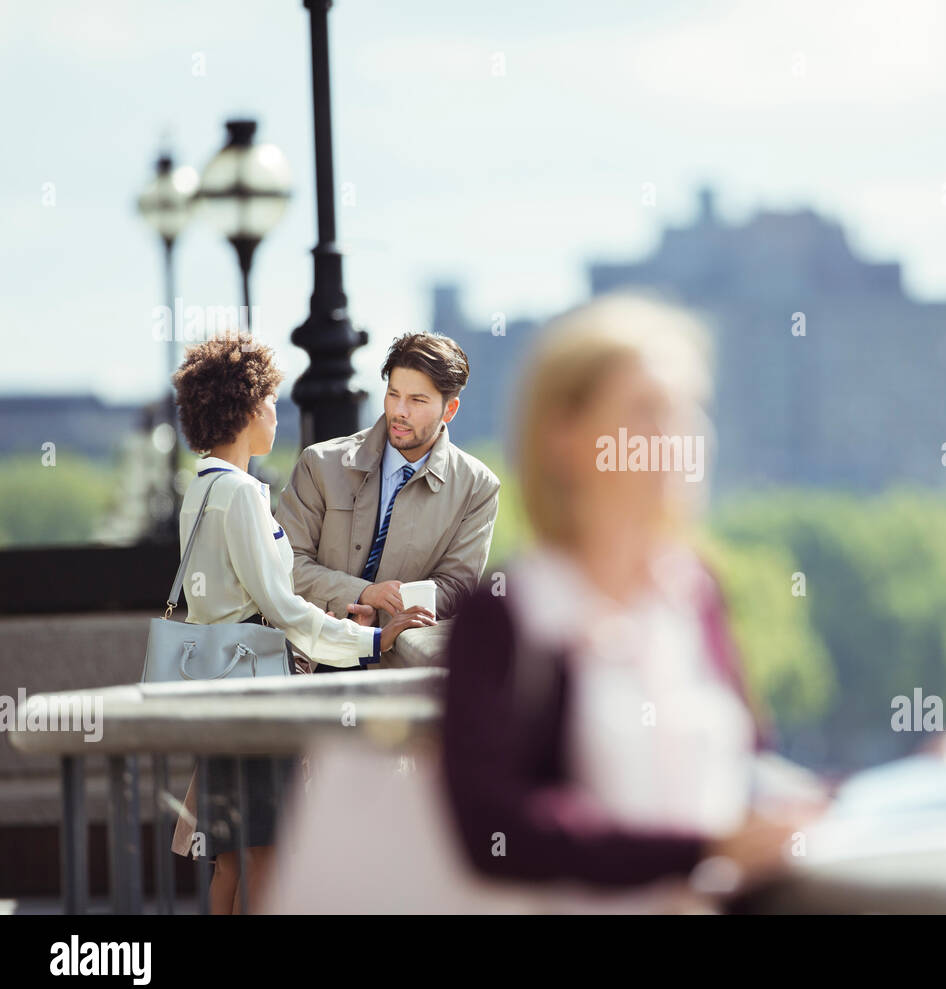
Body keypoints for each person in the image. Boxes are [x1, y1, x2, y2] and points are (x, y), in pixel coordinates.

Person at [441, 294, 825, 911]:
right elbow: (495, 831)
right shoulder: (510, 612)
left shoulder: (696, 593)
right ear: (563, 436)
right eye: (648, 410)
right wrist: (700, 850)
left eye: (689, 410)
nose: (679, 437)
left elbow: (747, 763)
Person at [167, 334, 436, 914]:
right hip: (256, 689)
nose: (275, 414)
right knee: (269, 848)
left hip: (217, 683)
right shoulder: (241, 495)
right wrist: (372, 639)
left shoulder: (201, 489)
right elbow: (284, 610)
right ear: (243, 410)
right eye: (268, 402)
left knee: (231, 857)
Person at [275, 332, 500, 671]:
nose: (400, 411)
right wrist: (362, 594)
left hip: (394, 673)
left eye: (417, 401)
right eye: (393, 394)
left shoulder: (477, 487)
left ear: (449, 409)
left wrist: (384, 616)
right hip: (308, 659)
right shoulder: (320, 463)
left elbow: (455, 588)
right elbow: (284, 563)